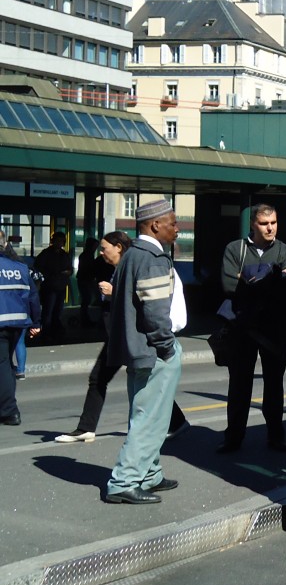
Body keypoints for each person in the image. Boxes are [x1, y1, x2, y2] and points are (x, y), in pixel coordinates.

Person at [55, 231, 189, 444]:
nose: (102, 253)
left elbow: (146, 301)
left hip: (136, 336)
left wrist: (114, 291)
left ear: (118, 247)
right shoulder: (116, 268)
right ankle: (86, 428)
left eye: (104, 248)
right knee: (101, 378)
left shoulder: (139, 263)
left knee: (145, 381)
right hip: (119, 335)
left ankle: (173, 423)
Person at [103, 200, 183, 504]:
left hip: (135, 349)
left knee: (143, 414)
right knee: (151, 420)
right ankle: (124, 481)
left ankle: (150, 474)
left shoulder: (132, 255)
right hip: (153, 351)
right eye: (172, 223)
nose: (177, 229)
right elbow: (154, 313)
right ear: (155, 225)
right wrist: (166, 347)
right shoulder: (153, 258)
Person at [217, 203, 286, 453]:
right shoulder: (235, 249)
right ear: (253, 224)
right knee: (239, 386)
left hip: (274, 329)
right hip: (242, 328)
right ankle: (233, 438)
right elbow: (229, 285)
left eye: (273, 222)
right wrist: (270, 276)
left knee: (274, 386)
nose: (270, 227)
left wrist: (249, 278)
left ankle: (276, 437)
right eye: (264, 223)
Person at [0, 248, 41, 425]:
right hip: (17, 322)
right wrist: (36, 322)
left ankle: (10, 411)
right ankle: (8, 410)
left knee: (3, 365)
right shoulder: (20, 268)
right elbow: (33, 297)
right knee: (7, 365)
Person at [34, 230, 73, 342]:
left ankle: (54, 332)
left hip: (60, 286)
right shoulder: (46, 254)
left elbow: (70, 268)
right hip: (50, 287)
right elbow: (39, 268)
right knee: (48, 312)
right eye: (58, 241)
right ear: (53, 241)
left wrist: (68, 272)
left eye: (61, 241)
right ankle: (46, 333)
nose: (60, 243)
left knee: (57, 311)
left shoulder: (64, 255)